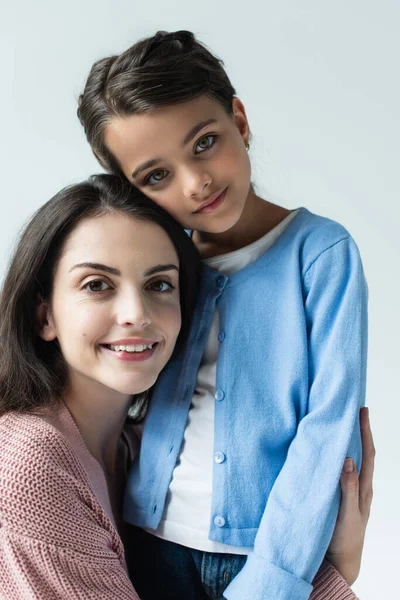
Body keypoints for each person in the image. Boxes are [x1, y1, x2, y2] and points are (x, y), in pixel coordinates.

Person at [78, 30, 371, 600]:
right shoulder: (160, 268)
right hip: (148, 542)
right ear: (131, 191)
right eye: (156, 175)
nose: (197, 182)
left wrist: (275, 578)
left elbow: (328, 425)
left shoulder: (321, 253)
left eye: (205, 142)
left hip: (265, 556)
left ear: (239, 118)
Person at [0, 174, 200, 599]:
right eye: (97, 285)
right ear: (44, 317)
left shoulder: (146, 449)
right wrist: (344, 563)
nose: (136, 313)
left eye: (159, 284)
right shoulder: (27, 464)